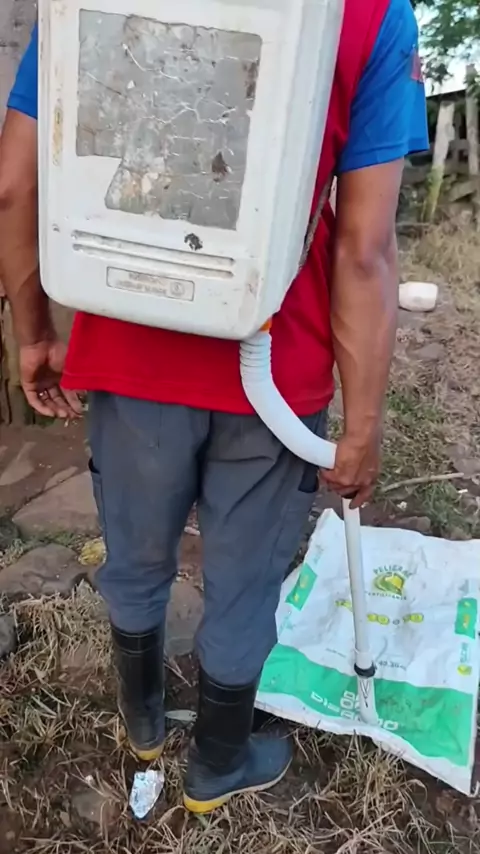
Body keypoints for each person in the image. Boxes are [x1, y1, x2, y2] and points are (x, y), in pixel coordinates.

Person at [0, 0, 428, 815]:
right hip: (275, 370)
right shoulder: (374, 14)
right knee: (242, 581)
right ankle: (218, 765)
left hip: (129, 352)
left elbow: (14, 184)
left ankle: (144, 727)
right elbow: (364, 247)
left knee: (135, 560)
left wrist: (34, 332)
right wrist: (363, 427)